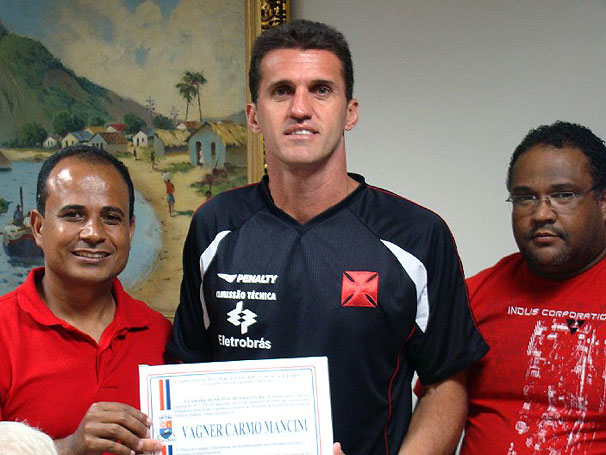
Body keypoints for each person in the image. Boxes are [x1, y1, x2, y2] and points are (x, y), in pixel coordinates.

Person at [167, 20, 488, 455]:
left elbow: (445, 382)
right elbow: (188, 368)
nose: (300, 108)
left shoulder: (416, 235)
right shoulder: (215, 225)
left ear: (350, 112)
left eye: (321, 90)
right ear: (253, 116)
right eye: (281, 91)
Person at [0, 145, 171, 455]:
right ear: (38, 227)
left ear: (130, 230)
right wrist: (67, 448)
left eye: (111, 218)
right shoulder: (3, 329)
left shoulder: (161, 335)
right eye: (74, 215)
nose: (93, 233)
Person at [460, 121, 606, 454]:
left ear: (602, 202)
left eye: (563, 195)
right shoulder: (475, 296)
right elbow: (437, 406)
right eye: (525, 198)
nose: (541, 214)